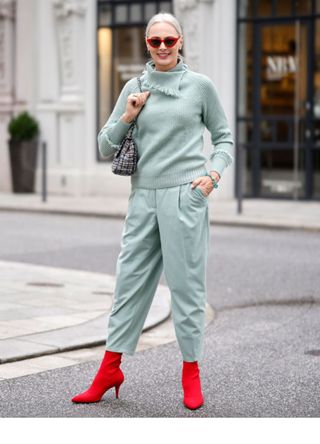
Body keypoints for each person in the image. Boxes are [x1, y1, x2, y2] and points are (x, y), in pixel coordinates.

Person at [71, 11, 234, 410]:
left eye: (169, 40)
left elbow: (224, 138)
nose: (162, 47)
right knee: (128, 283)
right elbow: (104, 146)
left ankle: (191, 371)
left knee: (186, 286)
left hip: (186, 196)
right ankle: (110, 368)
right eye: (155, 41)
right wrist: (128, 114)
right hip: (142, 196)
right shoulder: (135, 86)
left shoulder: (200, 87)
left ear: (180, 43)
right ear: (147, 45)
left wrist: (212, 176)